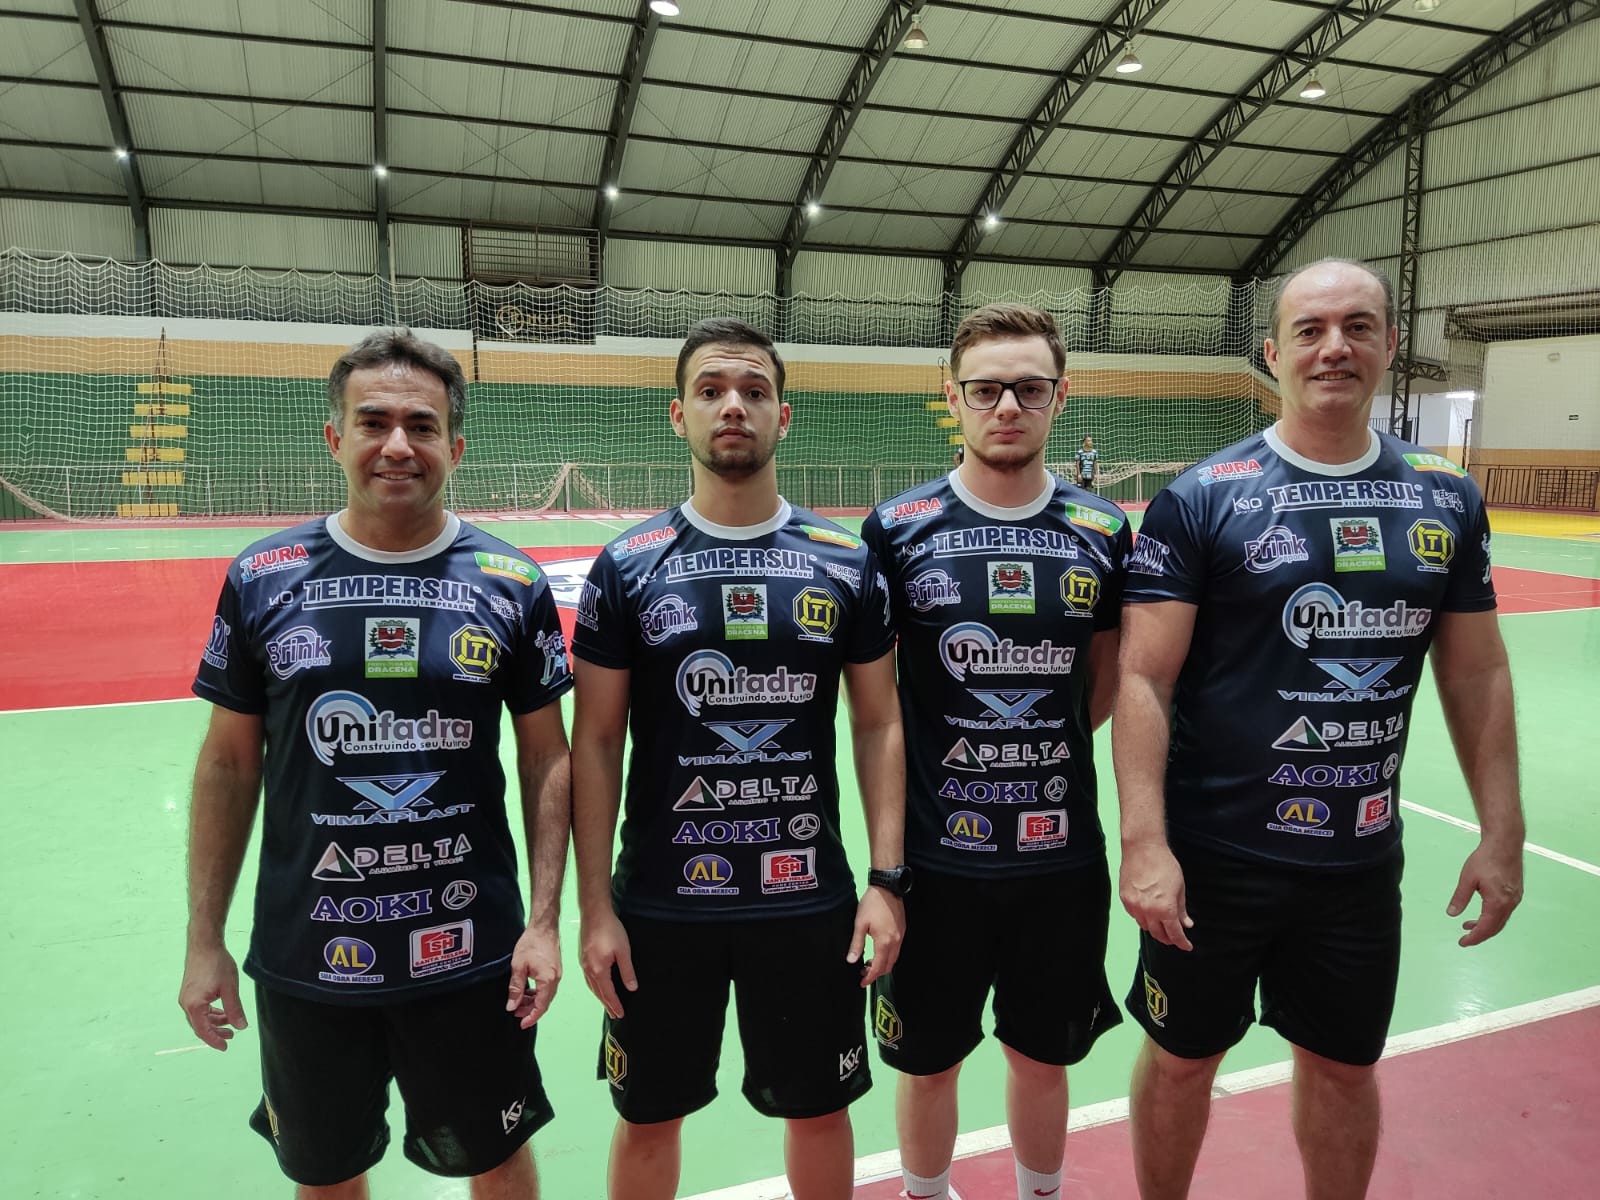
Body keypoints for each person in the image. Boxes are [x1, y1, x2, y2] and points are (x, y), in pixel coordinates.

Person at [1113, 258, 1524, 1200]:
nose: (1334, 345)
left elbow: (1476, 668)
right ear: (1273, 354)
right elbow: (1141, 675)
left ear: (1386, 348)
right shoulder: (1205, 495)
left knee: (1343, 1068)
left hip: (1357, 863)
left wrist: (1503, 829)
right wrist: (1146, 842)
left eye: (1358, 326)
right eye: (1310, 329)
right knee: (1181, 1060)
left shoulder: (1445, 497)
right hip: (1217, 858)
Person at [179, 329, 573, 1198]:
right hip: (310, 951)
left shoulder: (509, 581)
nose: (399, 444)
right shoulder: (263, 577)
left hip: (470, 948)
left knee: (497, 1157)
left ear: (454, 448)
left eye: (423, 426)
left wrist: (544, 920)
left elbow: (549, 758)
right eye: (375, 421)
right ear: (336, 438)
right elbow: (228, 767)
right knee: (326, 1172)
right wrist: (203, 939)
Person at [570, 317, 907, 1200]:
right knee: (648, 1114)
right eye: (713, 391)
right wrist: (595, 907)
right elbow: (596, 743)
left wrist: (886, 879)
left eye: (754, 391)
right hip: (661, 902)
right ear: (676, 413)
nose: (733, 406)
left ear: (783, 417)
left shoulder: (845, 561)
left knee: (820, 1109)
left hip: (809, 896)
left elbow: (877, 725)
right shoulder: (628, 567)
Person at [862, 303, 1130, 1200]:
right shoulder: (895, 530)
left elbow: (1105, 679)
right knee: (927, 1065)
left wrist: (1025, 739)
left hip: (1061, 860)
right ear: (955, 399)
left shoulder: (1101, 531)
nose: (1007, 404)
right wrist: (890, 868)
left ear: (1060, 395)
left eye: (1029, 387)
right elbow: (878, 712)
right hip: (938, 868)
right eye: (986, 388)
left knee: (1040, 1058)